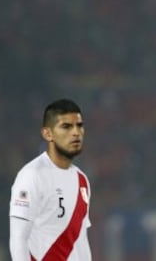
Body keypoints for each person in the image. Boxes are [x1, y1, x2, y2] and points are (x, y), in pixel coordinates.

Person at [9, 99, 92, 261]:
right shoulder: (32, 175)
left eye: (79, 125)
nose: (76, 132)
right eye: (66, 127)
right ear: (48, 134)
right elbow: (18, 238)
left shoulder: (82, 180)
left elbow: (81, 240)